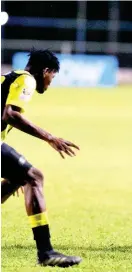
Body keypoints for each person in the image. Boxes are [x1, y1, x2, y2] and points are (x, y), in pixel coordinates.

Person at [1, 49, 82, 267]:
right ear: (46, 71)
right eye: (52, 76)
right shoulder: (27, 80)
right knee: (34, 177)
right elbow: (10, 114)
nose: (50, 82)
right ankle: (46, 253)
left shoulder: (10, 77)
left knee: (21, 177)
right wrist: (50, 137)